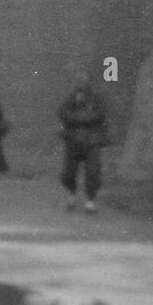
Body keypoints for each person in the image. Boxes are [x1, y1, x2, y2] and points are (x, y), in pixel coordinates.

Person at [58, 72, 109, 214]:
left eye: (84, 81)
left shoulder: (97, 98)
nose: (81, 84)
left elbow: (100, 115)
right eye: (79, 82)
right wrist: (82, 117)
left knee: (93, 171)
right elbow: (62, 113)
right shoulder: (71, 98)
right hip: (73, 139)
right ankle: (71, 194)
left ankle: (91, 200)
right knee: (68, 173)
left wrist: (77, 118)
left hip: (92, 140)